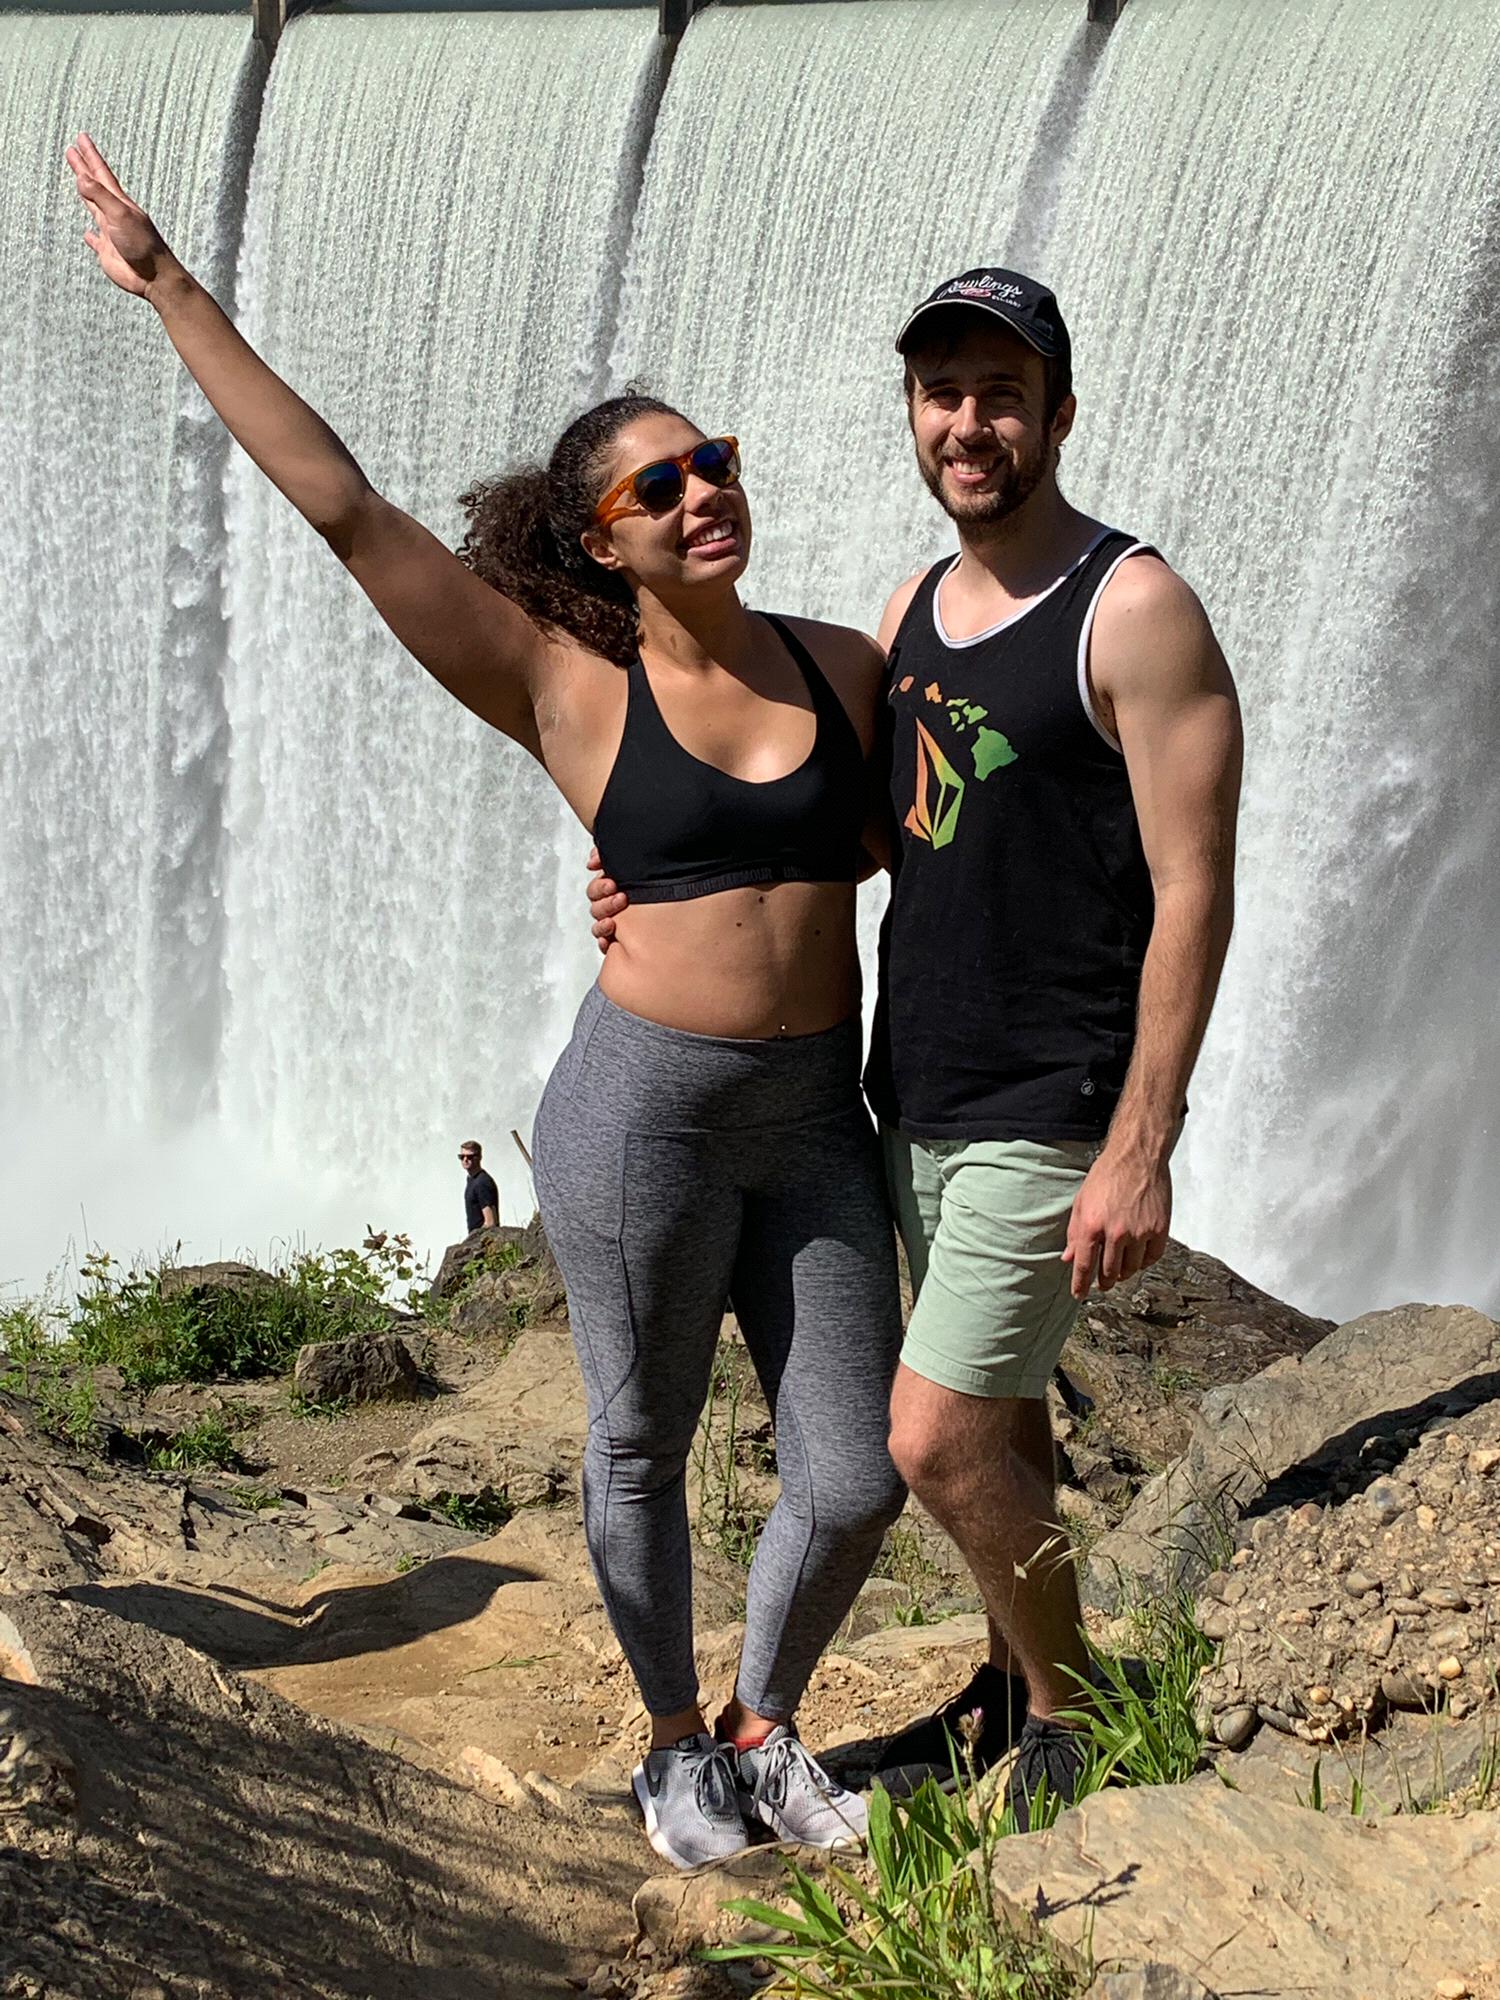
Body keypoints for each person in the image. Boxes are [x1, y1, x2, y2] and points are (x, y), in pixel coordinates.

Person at [68, 133, 903, 1872]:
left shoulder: (845, 664)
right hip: (643, 1107)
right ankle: (675, 1748)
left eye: (718, 464)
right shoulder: (562, 688)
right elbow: (348, 508)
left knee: (852, 1468)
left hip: (821, 1111)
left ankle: (764, 1722)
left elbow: (912, 849)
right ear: (604, 542)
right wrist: (171, 290)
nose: (705, 497)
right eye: (661, 488)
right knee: (640, 1438)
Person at [592, 268, 1243, 1821]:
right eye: (943, 394)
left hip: (1051, 1098)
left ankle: (1078, 1727)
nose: (969, 423)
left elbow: (1197, 887)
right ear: (914, 416)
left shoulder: (1130, 607)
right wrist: (653, 876)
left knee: (933, 1439)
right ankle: (1022, 1678)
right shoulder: (906, 615)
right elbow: (870, 836)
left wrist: (1141, 1143)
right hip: (914, 1094)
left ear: (1058, 415)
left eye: (1002, 395)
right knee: (1007, 1426)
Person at [459, 1142, 500, 1232]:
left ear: (479, 1157)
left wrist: (475, 1240)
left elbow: (490, 1222)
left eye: (469, 1157)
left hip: (484, 1240)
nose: (465, 1160)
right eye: (462, 1157)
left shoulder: (482, 1183)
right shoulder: (471, 1178)